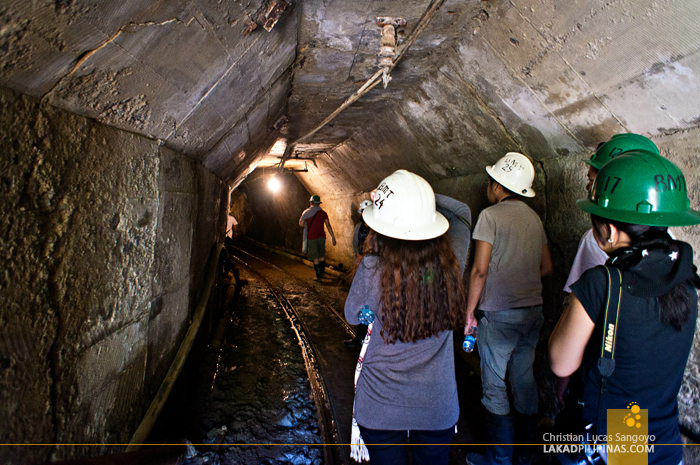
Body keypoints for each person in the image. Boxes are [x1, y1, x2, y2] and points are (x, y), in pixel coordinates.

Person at [549, 151, 700, 465]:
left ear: (609, 230)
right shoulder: (687, 280)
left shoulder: (601, 282)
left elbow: (561, 363)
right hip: (665, 439)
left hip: (621, 437)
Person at [344, 169, 471, 465]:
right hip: (436, 406)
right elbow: (462, 211)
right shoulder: (451, 266)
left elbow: (352, 314)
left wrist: (389, 200)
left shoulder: (372, 268)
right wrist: (420, 199)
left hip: (380, 406)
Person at [557, 133, 660, 409]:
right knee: (631, 451)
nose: (589, 185)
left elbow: (562, 358)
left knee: (604, 450)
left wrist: (564, 387)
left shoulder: (598, 255)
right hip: (655, 405)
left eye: (594, 179)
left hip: (610, 393)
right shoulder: (681, 268)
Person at [465, 152, 552, 465]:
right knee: (523, 379)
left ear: (496, 185)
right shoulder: (534, 218)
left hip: (499, 317)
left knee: (494, 385)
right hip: (533, 314)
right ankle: (526, 457)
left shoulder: (490, 217)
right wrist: (520, 281)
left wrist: (470, 312)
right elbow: (546, 266)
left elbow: (479, 270)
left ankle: (499, 459)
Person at [344, 199, 373, 349]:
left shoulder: (377, 229)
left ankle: (366, 339)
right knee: (363, 304)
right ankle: (360, 338)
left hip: (372, 271)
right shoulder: (360, 228)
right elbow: (356, 246)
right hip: (363, 268)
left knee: (368, 304)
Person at [299, 194, 336, 281]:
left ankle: (318, 276)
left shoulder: (306, 212)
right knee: (322, 255)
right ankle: (323, 274)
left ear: (311, 202)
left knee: (315, 257)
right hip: (321, 237)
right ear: (319, 203)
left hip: (312, 238)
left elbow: (301, 224)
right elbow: (328, 225)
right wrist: (333, 237)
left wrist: (305, 221)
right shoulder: (323, 213)